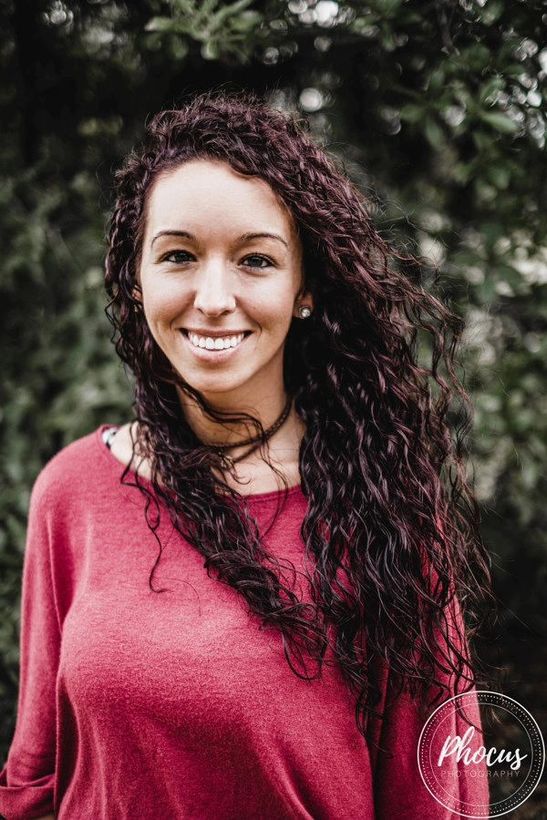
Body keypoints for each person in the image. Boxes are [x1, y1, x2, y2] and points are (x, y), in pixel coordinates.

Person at [0, 90, 493, 819]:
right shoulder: (72, 490)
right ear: (137, 282)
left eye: (255, 260)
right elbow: (35, 778)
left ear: (303, 290)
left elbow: (439, 799)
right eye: (177, 255)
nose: (213, 296)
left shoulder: (383, 515)